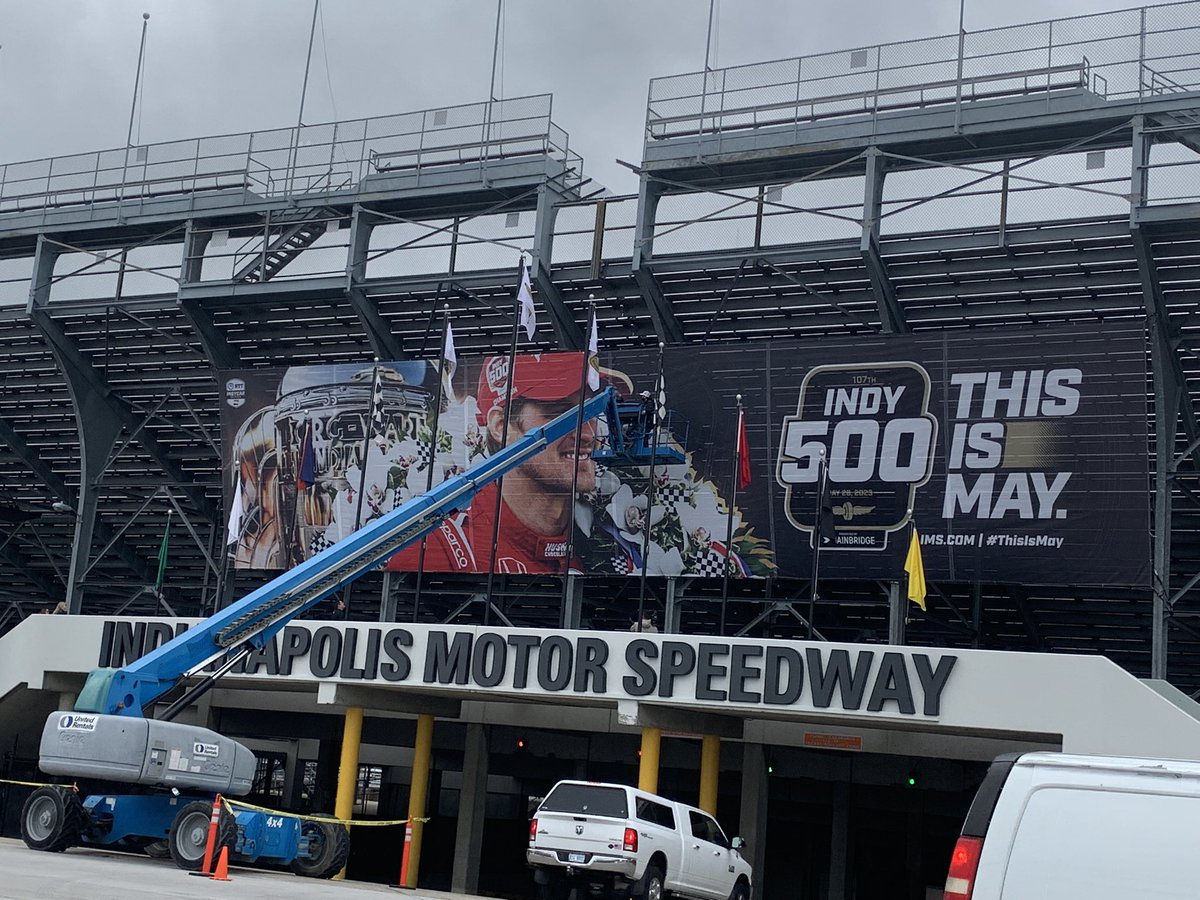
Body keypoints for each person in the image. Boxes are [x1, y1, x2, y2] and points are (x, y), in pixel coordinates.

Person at [388, 352, 595, 574]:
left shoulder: (607, 543)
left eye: (593, 410)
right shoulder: (434, 552)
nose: (588, 433)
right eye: (561, 413)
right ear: (500, 427)